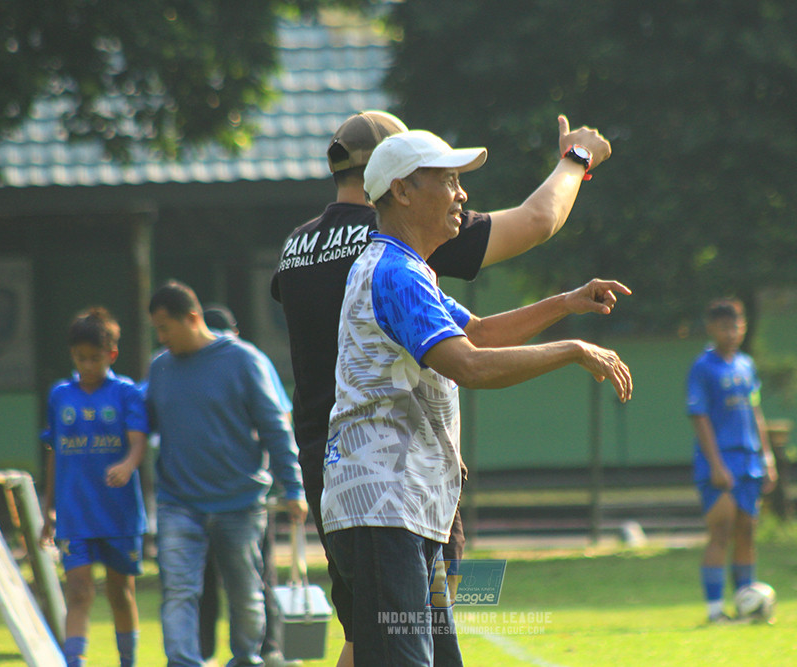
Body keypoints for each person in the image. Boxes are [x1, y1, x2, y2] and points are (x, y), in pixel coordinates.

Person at [270, 109, 611, 666]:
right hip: (382, 505)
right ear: (401, 191)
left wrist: (566, 304)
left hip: (404, 501)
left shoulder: (403, 267)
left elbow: (474, 331)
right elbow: (471, 364)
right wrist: (572, 351)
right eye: (449, 180)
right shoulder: (393, 273)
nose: (461, 194)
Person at [145, 280, 308, 667]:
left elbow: (275, 427)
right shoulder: (160, 367)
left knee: (245, 591)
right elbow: (142, 424)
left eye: (165, 327)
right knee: (179, 591)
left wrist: (293, 486)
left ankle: (247, 659)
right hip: (178, 503)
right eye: (157, 330)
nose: (161, 337)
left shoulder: (244, 360)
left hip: (240, 502)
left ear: (193, 317)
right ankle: (183, 662)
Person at [39, 307, 147, 667]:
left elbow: (138, 442)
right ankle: (75, 662)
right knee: (79, 592)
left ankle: (127, 661)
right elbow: (54, 451)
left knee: (120, 593)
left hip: (118, 513)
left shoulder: (126, 392)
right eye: (80, 358)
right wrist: (49, 507)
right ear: (72, 355)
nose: (86, 365)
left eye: (94, 358)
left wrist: (128, 465)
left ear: (111, 355)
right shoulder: (60, 395)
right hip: (74, 513)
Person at [197, 305, 299, 667]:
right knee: (259, 574)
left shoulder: (242, 361)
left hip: (232, 491)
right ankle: (267, 649)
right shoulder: (250, 359)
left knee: (218, 577)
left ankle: (213, 651)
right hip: (248, 490)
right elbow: (281, 419)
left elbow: (278, 419)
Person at [685, 298, 777, 624]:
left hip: (749, 460)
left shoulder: (746, 365)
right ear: (711, 328)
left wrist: (767, 457)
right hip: (720, 462)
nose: (731, 332)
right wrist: (716, 465)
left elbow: (755, 412)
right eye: (724, 326)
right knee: (720, 533)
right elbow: (700, 418)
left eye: (737, 325)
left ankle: (745, 607)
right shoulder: (703, 367)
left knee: (747, 534)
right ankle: (714, 613)